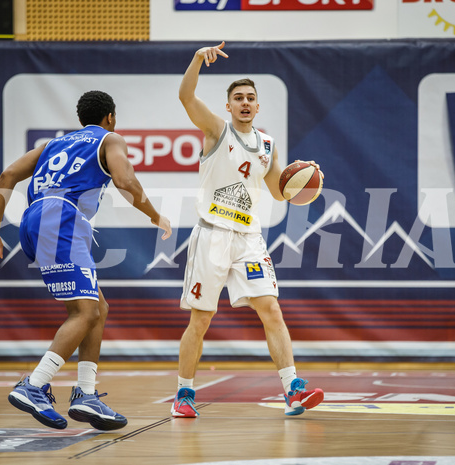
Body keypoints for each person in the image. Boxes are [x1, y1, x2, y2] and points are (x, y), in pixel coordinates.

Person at [0, 90, 172, 430]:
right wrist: (155, 215)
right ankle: (34, 385)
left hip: (34, 219)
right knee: (85, 312)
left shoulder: (52, 145)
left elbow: (7, 176)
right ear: (110, 117)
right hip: (62, 219)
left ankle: (86, 394)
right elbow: (125, 181)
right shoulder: (111, 138)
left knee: (98, 308)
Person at [171, 41, 324, 418]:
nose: (244, 102)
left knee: (271, 309)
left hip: (249, 240)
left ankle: (292, 390)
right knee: (201, 319)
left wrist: (302, 179)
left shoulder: (267, 144)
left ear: (258, 106)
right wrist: (196, 60)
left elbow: (278, 191)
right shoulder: (216, 130)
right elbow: (186, 96)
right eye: (238, 97)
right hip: (211, 236)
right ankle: (184, 394)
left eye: (250, 98)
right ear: (229, 105)